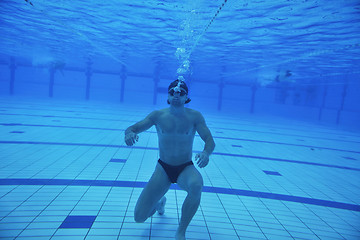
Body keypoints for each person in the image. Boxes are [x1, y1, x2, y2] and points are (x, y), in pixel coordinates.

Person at [124, 79, 215, 240]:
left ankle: (181, 230)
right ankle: (159, 202)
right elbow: (133, 128)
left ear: (186, 97)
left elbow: (209, 139)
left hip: (185, 168)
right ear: (168, 95)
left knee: (196, 185)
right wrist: (129, 134)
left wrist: (206, 153)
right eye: (173, 92)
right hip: (163, 169)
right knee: (139, 217)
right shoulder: (158, 116)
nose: (176, 95)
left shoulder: (195, 116)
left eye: (181, 93)